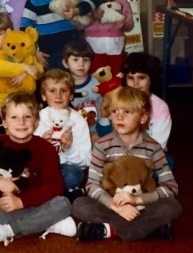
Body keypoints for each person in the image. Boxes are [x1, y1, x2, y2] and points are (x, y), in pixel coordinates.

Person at [72, 87, 181, 242]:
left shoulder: (153, 147)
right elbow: (91, 185)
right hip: (112, 204)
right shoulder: (102, 145)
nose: (119, 117)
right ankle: (148, 229)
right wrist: (115, 206)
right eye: (115, 111)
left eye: (127, 112)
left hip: (142, 204)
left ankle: (108, 230)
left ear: (143, 118)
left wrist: (138, 200)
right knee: (79, 204)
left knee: (172, 206)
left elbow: (171, 187)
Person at [0, 93, 76, 248]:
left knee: (63, 204)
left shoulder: (45, 148)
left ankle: (9, 230)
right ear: (4, 122)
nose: (21, 122)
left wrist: (22, 202)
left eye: (27, 117)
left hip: (35, 202)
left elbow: (55, 186)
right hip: (3, 206)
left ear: (36, 122)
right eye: (14, 117)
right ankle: (46, 222)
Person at [20, 0, 97, 69]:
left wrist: (77, 10)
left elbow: (93, 0)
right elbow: (24, 30)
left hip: (73, 54)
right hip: (46, 55)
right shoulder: (34, 0)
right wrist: (34, 52)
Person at [34, 69, 92, 201]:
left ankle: (57, 193)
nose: (58, 96)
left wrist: (69, 148)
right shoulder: (38, 118)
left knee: (74, 174)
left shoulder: (78, 121)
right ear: (43, 96)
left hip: (65, 168)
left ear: (71, 95)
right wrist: (42, 144)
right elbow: (29, 153)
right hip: (41, 168)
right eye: (52, 91)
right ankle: (62, 193)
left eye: (64, 91)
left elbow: (86, 160)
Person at [0, 12, 41, 109]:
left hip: (15, 102)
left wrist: (25, 73)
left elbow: (36, 68)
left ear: (8, 34)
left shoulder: (15, 51)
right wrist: (24, 67)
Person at [83, 0, 133, 76]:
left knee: (115, 75)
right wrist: (93, 17)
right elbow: (80, 23)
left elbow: (130, 23)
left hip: (115, 45)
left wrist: (124, 24)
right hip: (93, 45)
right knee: (95, 75)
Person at [121, 52, 171, 152]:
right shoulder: (119, 102)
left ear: (151, 79)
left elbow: (159, 144)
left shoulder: (160, 107)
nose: (136, 83)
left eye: (141, 78)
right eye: (131, 78)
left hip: (152, 153)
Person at [63, 38, 110, 141]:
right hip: (75, 133)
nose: (81, 64)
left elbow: (107, 105)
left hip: (98, 130)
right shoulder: (64, 86)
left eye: (85, 60)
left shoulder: (97, 82)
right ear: (66, 63)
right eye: (75, 60)